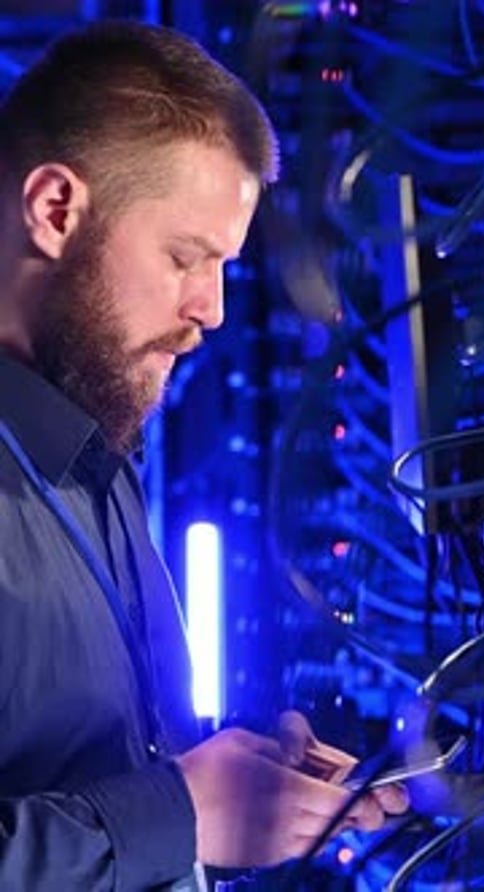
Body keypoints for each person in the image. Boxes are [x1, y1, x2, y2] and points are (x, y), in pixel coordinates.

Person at [0, 18, 407, 891]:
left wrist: (234, 778)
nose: (213, 309)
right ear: (54, 211)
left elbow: (101, 778)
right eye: (188, 257)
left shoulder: (98, 458)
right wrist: (184, 811)